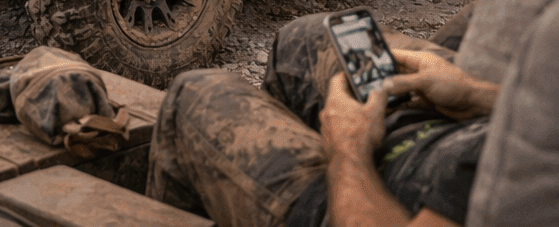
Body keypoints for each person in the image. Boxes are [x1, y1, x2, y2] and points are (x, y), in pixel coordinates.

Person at [147, 13, 497, 227]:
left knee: (194, 93)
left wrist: (348, 152)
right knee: (304, 39)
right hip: (471, 124)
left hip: (379, 192)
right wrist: (480, 95)